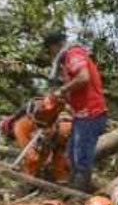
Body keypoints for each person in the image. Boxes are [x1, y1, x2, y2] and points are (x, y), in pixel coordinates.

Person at [45, 31, 108, 192]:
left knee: (81, 158)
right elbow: (76, 89)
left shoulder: (73, 54)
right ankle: (75, 188)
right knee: (72, 154)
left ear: (54, 46)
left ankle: (79, 195)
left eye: (50, 50)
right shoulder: (67, 61)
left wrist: (62, 90)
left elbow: (83, 78)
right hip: (82, 115)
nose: (51, 55)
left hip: (91, 114)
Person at [7, 94, 73, 183]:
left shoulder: (55, 111)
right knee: (35, 157)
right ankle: (30, 179)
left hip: (56, 129)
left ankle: (59, 178)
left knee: (56, 155)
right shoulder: (23, 124)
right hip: (49, 128)